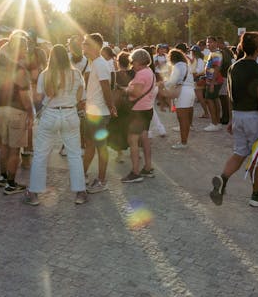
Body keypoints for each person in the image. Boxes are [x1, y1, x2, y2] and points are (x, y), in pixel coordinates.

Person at [210, 31, 258, 208]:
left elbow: (231, 96)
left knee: (239, 152)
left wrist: (231, 119)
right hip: (254, 117)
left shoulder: (234, 67)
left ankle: (223, 179)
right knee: (257, 156)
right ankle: (257, 194)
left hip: (238, 115)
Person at [25, 44, 87, 205]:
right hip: (70, 113)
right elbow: (81, 97)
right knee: (74, 155)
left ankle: (34, 193)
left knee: (41, 154)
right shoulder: (76, 73)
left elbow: (38, 98)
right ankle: (80, 192)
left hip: (51, 114)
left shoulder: (45, 74)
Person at [0, 31, 34, 194]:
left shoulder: (0, 65)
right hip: (16, 109)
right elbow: (24, 94)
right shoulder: (19, 68)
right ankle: (11, 183)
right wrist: (31, 112)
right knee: (15, 149)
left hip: (0, 107)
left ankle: (2, 177)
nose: (27, 50)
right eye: (25, 47)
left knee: (4, 144)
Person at [82, 33, 116, 193]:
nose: (83, 46)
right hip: (92, 112)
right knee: (89, 145)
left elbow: (105, 87)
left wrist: (111, 107)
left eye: (86, 43)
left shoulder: (100, 64)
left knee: (101, 148)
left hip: (100, 113)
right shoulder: (94, 63)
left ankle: (102, 181)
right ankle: (81, 175)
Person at [121, 48, 156, 182]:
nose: (132, 64)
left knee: (133, 141)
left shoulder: (141, 74)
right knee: (145, 138)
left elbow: (136, 93)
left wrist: (125, 90)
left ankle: (135, 172)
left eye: (133, 62)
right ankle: (148, 167)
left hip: (138, 111)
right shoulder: (149, 71)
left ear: (138, 61)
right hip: (147, 109)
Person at [161, 48, 195, 149]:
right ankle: (184, 141)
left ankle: (183, 142)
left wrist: (163, 84)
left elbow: (172, 81)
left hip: (183, 92)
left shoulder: (177, 66)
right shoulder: (187, 65)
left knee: (182, 119)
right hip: (190, 91)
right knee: (186, 119)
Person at [203, 36, 224, 132]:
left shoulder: (216, 53)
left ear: (216, 43)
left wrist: (211, 83)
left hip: (214, 81)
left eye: (211, 42)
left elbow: (217, 68)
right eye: (207, 42)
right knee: (215, 100)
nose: (208, 44)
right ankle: (217, 122)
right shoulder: (212, 53)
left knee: (209, 99)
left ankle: (214, 123)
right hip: (213, 80)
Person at [190, 45, 209, 119]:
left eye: (193, 52)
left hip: (198, 79)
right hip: (194, 79)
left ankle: (206, 113)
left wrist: (193, 73)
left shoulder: (200, 60)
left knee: (200, 98)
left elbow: (200, 70)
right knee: (197, 98)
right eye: (192, 51)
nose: (192, 53)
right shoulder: (195, 59)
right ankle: (206, 112)